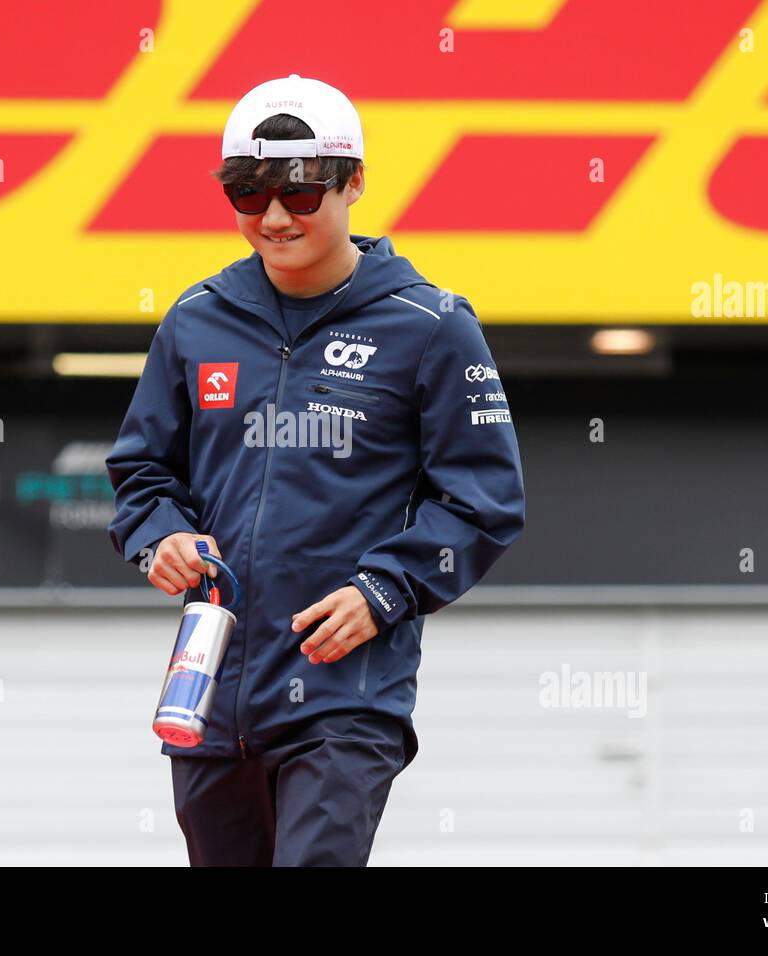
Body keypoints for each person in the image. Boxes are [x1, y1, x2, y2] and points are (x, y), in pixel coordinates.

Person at [106, 74, 525, 866]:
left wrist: (385, 591)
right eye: (247, 193)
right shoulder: (196, 321)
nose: (271, 218)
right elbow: (143, 474)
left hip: (343, 695)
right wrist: (159, 537)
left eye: (299, 196)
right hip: (210, 688)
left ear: (355, 182)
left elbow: (486, 500)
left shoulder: (431, 326)